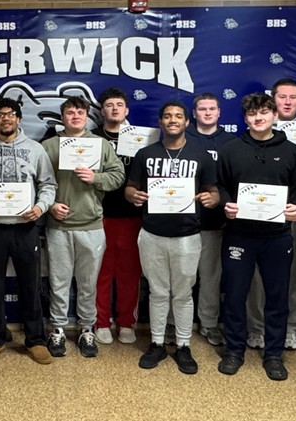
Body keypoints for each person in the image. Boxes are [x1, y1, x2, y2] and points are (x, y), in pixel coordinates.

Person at [216, 93, 296, 381]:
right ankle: (234, 350)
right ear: (245, 118)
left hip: (277, 237)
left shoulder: (291, 151)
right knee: (234, 296)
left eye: (264, 113)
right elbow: (220, 187)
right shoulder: (230, 150)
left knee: (277, 297)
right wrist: (226, 204)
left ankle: (273, 355)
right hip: (239, 236)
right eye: (252, 114)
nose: (258, 118)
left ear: (274, 115)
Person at [125, 101, 219, 374]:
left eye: (178, 116)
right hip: (152, 233)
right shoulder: (146, 154)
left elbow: (213, 192)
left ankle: (183, 345)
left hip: (187, 235)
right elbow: (130, 188)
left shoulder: (201, 155)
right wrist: (133, 196)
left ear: (187, 122)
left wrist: (211, 199)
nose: (173, 120)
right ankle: (156, 343)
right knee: (157, 291)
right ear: (160, 122)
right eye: (167, 116)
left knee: (183, 293)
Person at [0, 97, 57, 365]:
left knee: (31, 285)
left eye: (11, 114)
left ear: (18, 118)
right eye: (0, 115)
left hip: (26, 228)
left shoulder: (35, 149)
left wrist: (40, 207)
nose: (6, 118)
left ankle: (35, 340)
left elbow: (48, 184)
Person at [41, 96, 124, 358]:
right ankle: (58, 329)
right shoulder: (48, 146)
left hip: (92, 225)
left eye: (80, 112)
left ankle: (87, 328)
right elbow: (35, 182)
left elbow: (118, 176)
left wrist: (95, 177)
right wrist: (50, 205)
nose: (75, 116)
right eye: (70, 112)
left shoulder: (100, 145)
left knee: (88, 283)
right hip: (59, 226)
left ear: (87, 116)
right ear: (62, 117)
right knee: (59, 282)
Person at [246, 77, 296, 351]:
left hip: (295, 211)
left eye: (292, 97)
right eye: (282, 96)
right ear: (273, 102)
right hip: (257, 211)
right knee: (256, 275)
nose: (287, 101)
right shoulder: (254, 130)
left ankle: (291, 327)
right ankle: (257, 328)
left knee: (295, 273)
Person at [91, 87, 144, 345]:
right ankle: (101, 322)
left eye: (119, 105)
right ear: (102, 110)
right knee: (100, 272)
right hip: (98, 215)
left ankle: (126, 323)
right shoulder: (91, 139)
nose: (114, 108)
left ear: (126, 110)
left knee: (129, 274)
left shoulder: (141, 138)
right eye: (109, 104)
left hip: (132, 215)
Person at [187, 92, 237, 346]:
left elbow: (234, 181)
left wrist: (224, 204)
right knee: (182, 278)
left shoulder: (231, 142)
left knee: (210, 278)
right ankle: (175, 324)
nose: (207, 113)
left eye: (211, 109)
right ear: (194, 113)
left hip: (215, 222)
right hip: (182, 221)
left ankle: (208, 323)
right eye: (202, 109)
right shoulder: (181, 138)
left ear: (219, 113)